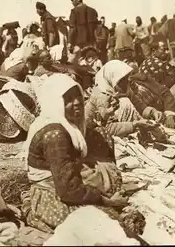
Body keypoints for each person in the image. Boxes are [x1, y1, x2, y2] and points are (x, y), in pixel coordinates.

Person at [21, 73, 129, 233]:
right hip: (52, 197)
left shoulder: (57, 122)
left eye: (78, 95)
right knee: (110, 223)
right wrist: (108, 202)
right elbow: (68, 191)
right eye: (68, 99)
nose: (78, 102)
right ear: (54, 101)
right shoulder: (55, 134)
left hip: (60, 187)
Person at [85, 60, 159, 137]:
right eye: (122, 79)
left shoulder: (122, 88)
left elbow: (139, 105)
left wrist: (153, 112)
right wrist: (135, 124)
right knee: (124, 102)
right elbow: (107, 128)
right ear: (112, 79)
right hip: (98, 134)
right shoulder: (102, 95)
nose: (127, 82)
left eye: (127, 78)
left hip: (122, 128)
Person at [139, 40, 175, 105]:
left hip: (150, 103)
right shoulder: (160, 63)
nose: (167, 52)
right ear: (154, 50)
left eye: (167, 49)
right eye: (163, 49)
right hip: (162, 102)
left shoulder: (142, 65)